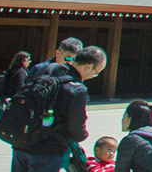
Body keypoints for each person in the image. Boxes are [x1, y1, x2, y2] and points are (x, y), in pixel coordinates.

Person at [11, 43, 104, 172]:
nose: (94, 76)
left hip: (21, 143)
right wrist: (83, 135)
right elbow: (76, 128)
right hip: (47, 151)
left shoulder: (47, 69)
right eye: (96, 73)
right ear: (88, 67)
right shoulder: (77, 89)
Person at [0, 51, 30, 154]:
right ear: (23, 61)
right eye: (28, 60)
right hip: (15, 103)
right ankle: (19, 145)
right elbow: (20, 87)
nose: (29, 62)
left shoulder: (11, 71)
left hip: (5, 101)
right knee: (19, 124)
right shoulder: (21, 72)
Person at [112, 100, 152, 172]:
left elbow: (121, 170)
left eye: (124, 116)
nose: (122, 120)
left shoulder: (130, 140)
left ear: (131, 118)